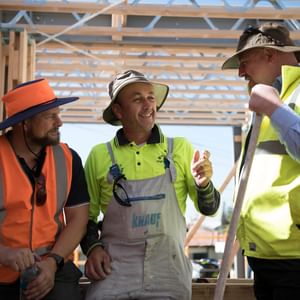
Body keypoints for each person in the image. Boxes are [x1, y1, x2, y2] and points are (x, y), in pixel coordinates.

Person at [80, 69, 220, 300]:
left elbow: (210, 208)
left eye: (151, 97)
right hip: (114, 271)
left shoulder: (180, 149)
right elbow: (86, 217)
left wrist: (204, 184)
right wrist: (93, 249)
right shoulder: (99, 155)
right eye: (137, 99)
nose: (148, 105)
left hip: (168, 271)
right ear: (118, 110)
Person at [222, 22, 300, 299]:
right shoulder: (277, 97)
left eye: (244, 62)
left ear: (269, 54)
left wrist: (275, 109)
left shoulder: (290, 95)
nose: (241, 73)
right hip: (269, 255)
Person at [0, 78, 90, 300]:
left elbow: (78, 219)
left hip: (53, 267)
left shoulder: (69, 158)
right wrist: (3, 253)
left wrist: (52, 261)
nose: (59, 122)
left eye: (58, 114)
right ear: (25, 123)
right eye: (50, 116)